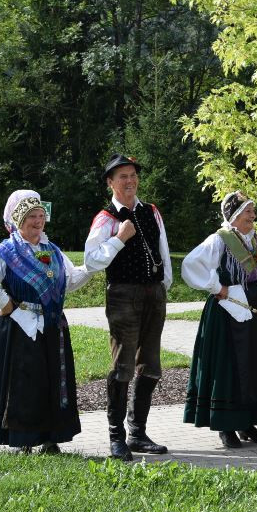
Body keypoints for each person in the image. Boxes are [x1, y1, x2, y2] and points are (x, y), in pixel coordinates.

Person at [0, 190, 93, 454]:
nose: (37, 222)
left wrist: (94, 265)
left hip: (51, 324)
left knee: (51, 378)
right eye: (31, 217)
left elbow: (69, 280)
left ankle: (50, 437)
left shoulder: (51, 250)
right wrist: (5, 302)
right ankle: (22, 437)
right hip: (18, 325)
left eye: (41, 216)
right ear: (18, 221)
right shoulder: (7, 251)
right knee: (23, 382)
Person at [84, 153, 172, 461]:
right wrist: (119, 239)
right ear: (110, 182)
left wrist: (164, 284)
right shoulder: (106, 218)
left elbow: (163, 248)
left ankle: (137, 432)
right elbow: (91, 260)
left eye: (133, 175)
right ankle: (116, 437)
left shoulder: (150, 211)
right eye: (122, 176)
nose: (130, 180)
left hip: (153, 293)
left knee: (151, 366)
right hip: (123, 295)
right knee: (123, 367)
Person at [182, 191, 257, 448]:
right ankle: (225, 426)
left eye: (252, 211)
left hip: (253, 314)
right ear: (234, 215)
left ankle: (247, 422)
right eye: (248, 211)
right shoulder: (220, 239)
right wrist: (216, 286)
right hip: (228, 313)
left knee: (252, 365)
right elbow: (191, 265)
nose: (253, 216)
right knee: (229, 368)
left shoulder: (253, 240)